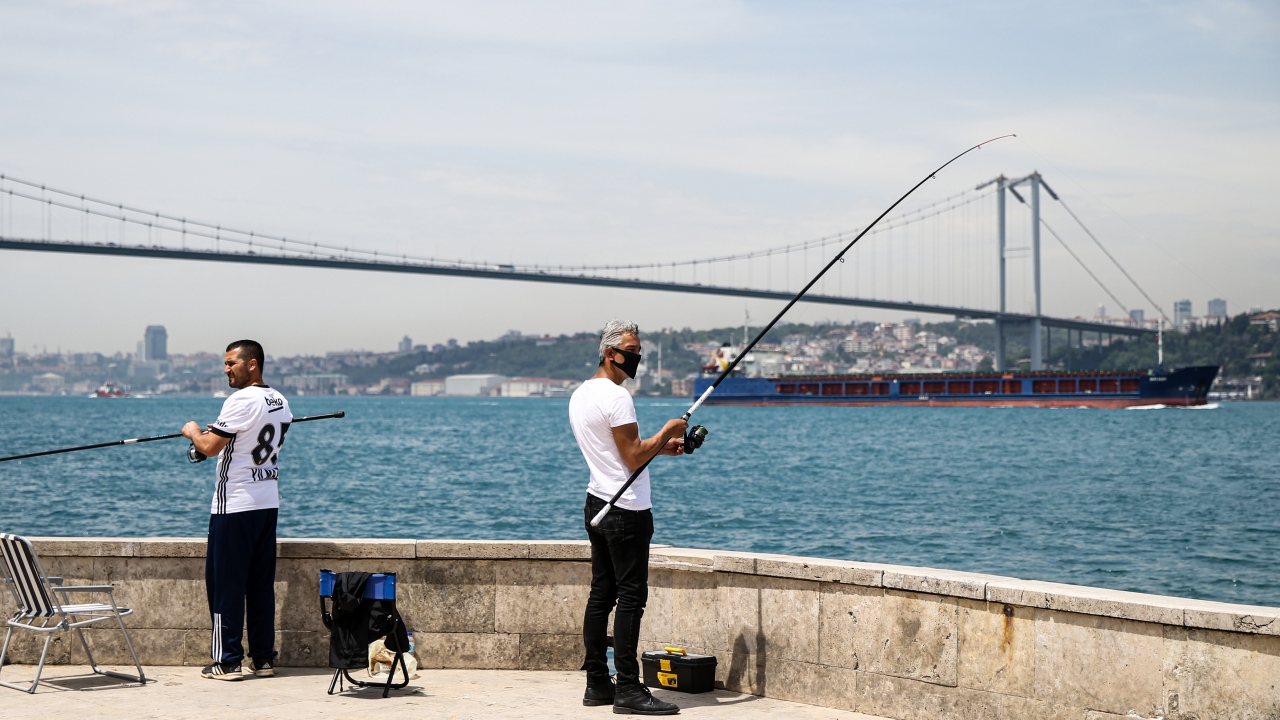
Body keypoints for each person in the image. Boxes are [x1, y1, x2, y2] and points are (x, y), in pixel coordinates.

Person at [569, 320, 687, 715]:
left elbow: (619, 452)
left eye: (639, 351)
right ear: (610, 353)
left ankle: (596, 684)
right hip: (627, 510)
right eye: (631, 351)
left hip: (596, 504)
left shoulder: (581, 395)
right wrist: (668, 429)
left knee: (601, 594)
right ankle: (629, 690)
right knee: (631, 599)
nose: (636, 358)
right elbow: (632, 455)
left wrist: (661, 448)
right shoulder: (618, 398)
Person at [182, 339, 293, 681]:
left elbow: (211, 447)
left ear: (253, 364)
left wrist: (192, 432)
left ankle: (226, 661)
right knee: (259, 586)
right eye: (225, 364)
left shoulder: (240, 400)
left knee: (225, 586)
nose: (226, 369)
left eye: (232, 363)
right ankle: (262, 659)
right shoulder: (281, 401)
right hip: (266, 504)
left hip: (234, 507)